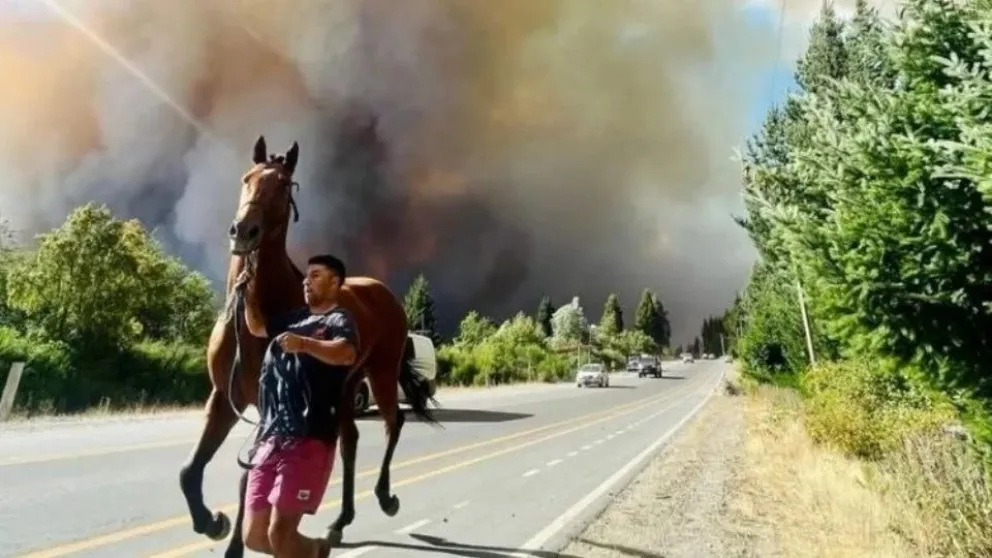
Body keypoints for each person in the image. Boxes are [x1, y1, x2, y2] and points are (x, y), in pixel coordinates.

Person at [241, 254, 359, 558]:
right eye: (306, 276)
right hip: (273, 436)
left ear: (335, 282)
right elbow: (256, 327)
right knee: (254, 537)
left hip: (310, 437)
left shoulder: (339, 320)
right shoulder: (293, 319)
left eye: (316, 275)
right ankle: (318, 551)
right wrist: (245, 292)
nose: (307, 281)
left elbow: (346, 353)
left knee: (280, 534)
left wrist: (304, 344)